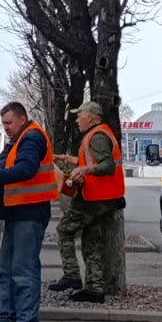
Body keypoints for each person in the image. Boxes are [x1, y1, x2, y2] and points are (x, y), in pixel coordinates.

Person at [0, 101, 58, 322]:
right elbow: (14, 164)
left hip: (28, 214)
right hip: (19, 213)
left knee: (23, 271)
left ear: (22, 118)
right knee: (7, 270)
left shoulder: (31, 137)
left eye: (9, 123)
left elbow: (26, 169)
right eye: (3, 124)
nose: (6, 128)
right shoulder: (22, 137)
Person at [50, 101, 126, 304]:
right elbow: (92, 161)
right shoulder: (100, 133)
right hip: (105, 199)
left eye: (79, 115)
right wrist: (69, 159)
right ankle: (94, 289)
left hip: (93, 198)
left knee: (64, 230)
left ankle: (72, 276)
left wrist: (84, 171)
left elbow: (107, 165)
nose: (76, 120)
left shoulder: (98, 136)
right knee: (91, 242)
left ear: (91, 117)